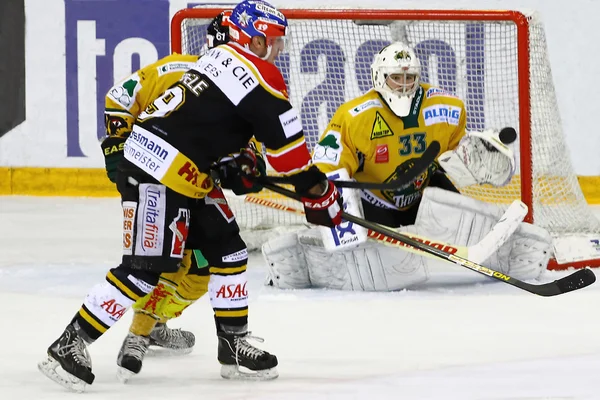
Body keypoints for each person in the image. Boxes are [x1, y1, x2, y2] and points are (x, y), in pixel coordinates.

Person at [37, 0, 343, 392]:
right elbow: (293, 160)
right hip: (158, 171)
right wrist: (320, 197)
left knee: (229, 250)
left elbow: (205, 126)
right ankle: (71, 341)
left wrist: (235, 162)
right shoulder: (258, 76)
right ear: (251, 36)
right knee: (145, 269)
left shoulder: (216, 58)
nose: (277, 50)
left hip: (184, 172)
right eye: (272, 41)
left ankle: (232, 343)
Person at [262, 42, 553, 291]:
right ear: (379, 77)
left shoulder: (448, 108)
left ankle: (509, 250)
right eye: (395, 79)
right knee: (366, 258)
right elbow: (328, 168)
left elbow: (453, 159)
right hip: (374, 202)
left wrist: (477, 156)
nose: (403, 86)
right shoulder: (354, 116)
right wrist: (335, 213)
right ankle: (304, 257)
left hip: (422, 193)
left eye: (409, 78)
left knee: (461, 216)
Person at [100, 10, 231, 361]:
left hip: (198, 185)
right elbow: (120, 97)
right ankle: (137, 333)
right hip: (157, 180)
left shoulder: (245, 92)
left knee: (203, 270)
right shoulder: (175, 69)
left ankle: (153, 322)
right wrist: (118, 144)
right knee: (166, 264)